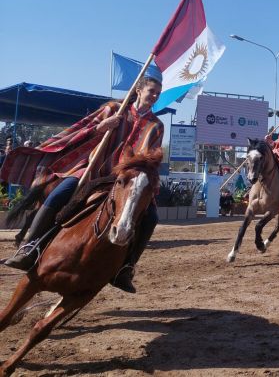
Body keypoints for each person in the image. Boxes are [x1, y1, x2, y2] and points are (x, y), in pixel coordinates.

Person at [1, 73, 164, 293]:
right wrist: (102, 127)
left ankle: (126, 268)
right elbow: (82, 130)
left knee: (151, 217)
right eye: (151, 91)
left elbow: (150, 158)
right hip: (94, 171)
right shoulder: (113, 109)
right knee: (59, 193)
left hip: (125, 180)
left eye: (157, 93)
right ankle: (29, 247)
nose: (154, 96)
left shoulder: (156, 125)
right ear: (139, 91)